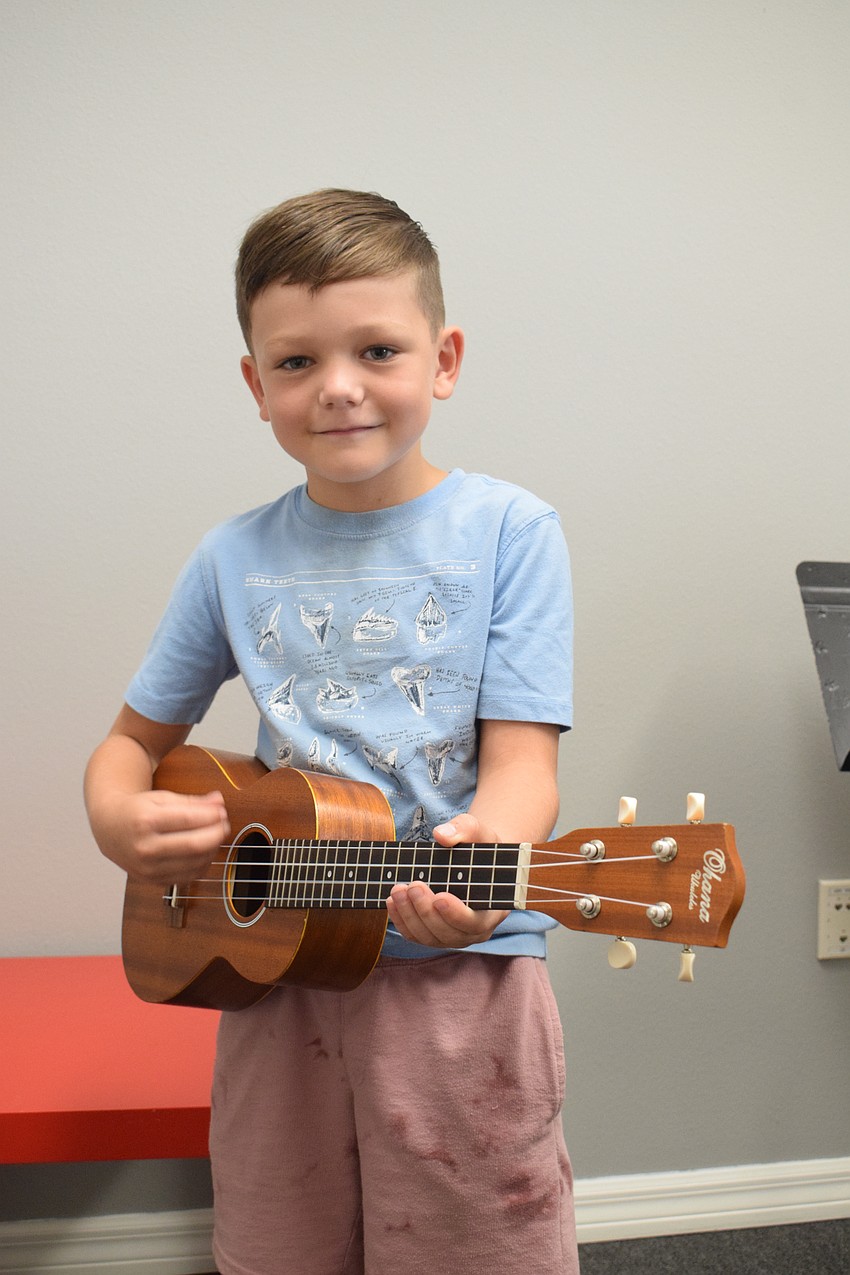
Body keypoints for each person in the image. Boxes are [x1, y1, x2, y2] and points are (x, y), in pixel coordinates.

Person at [84, 188, 578, 1275]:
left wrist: (482, 871)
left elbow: (522, 768)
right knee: (276, 1242)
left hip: (463, 983)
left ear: (442, 360)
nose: (340, 387)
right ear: (256, 385)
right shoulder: (230, 556)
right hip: (278, 976)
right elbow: (126, 744)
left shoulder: (510, 531)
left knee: (473, 1247)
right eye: (297, 363)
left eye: (378, 349)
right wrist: (119, 819)